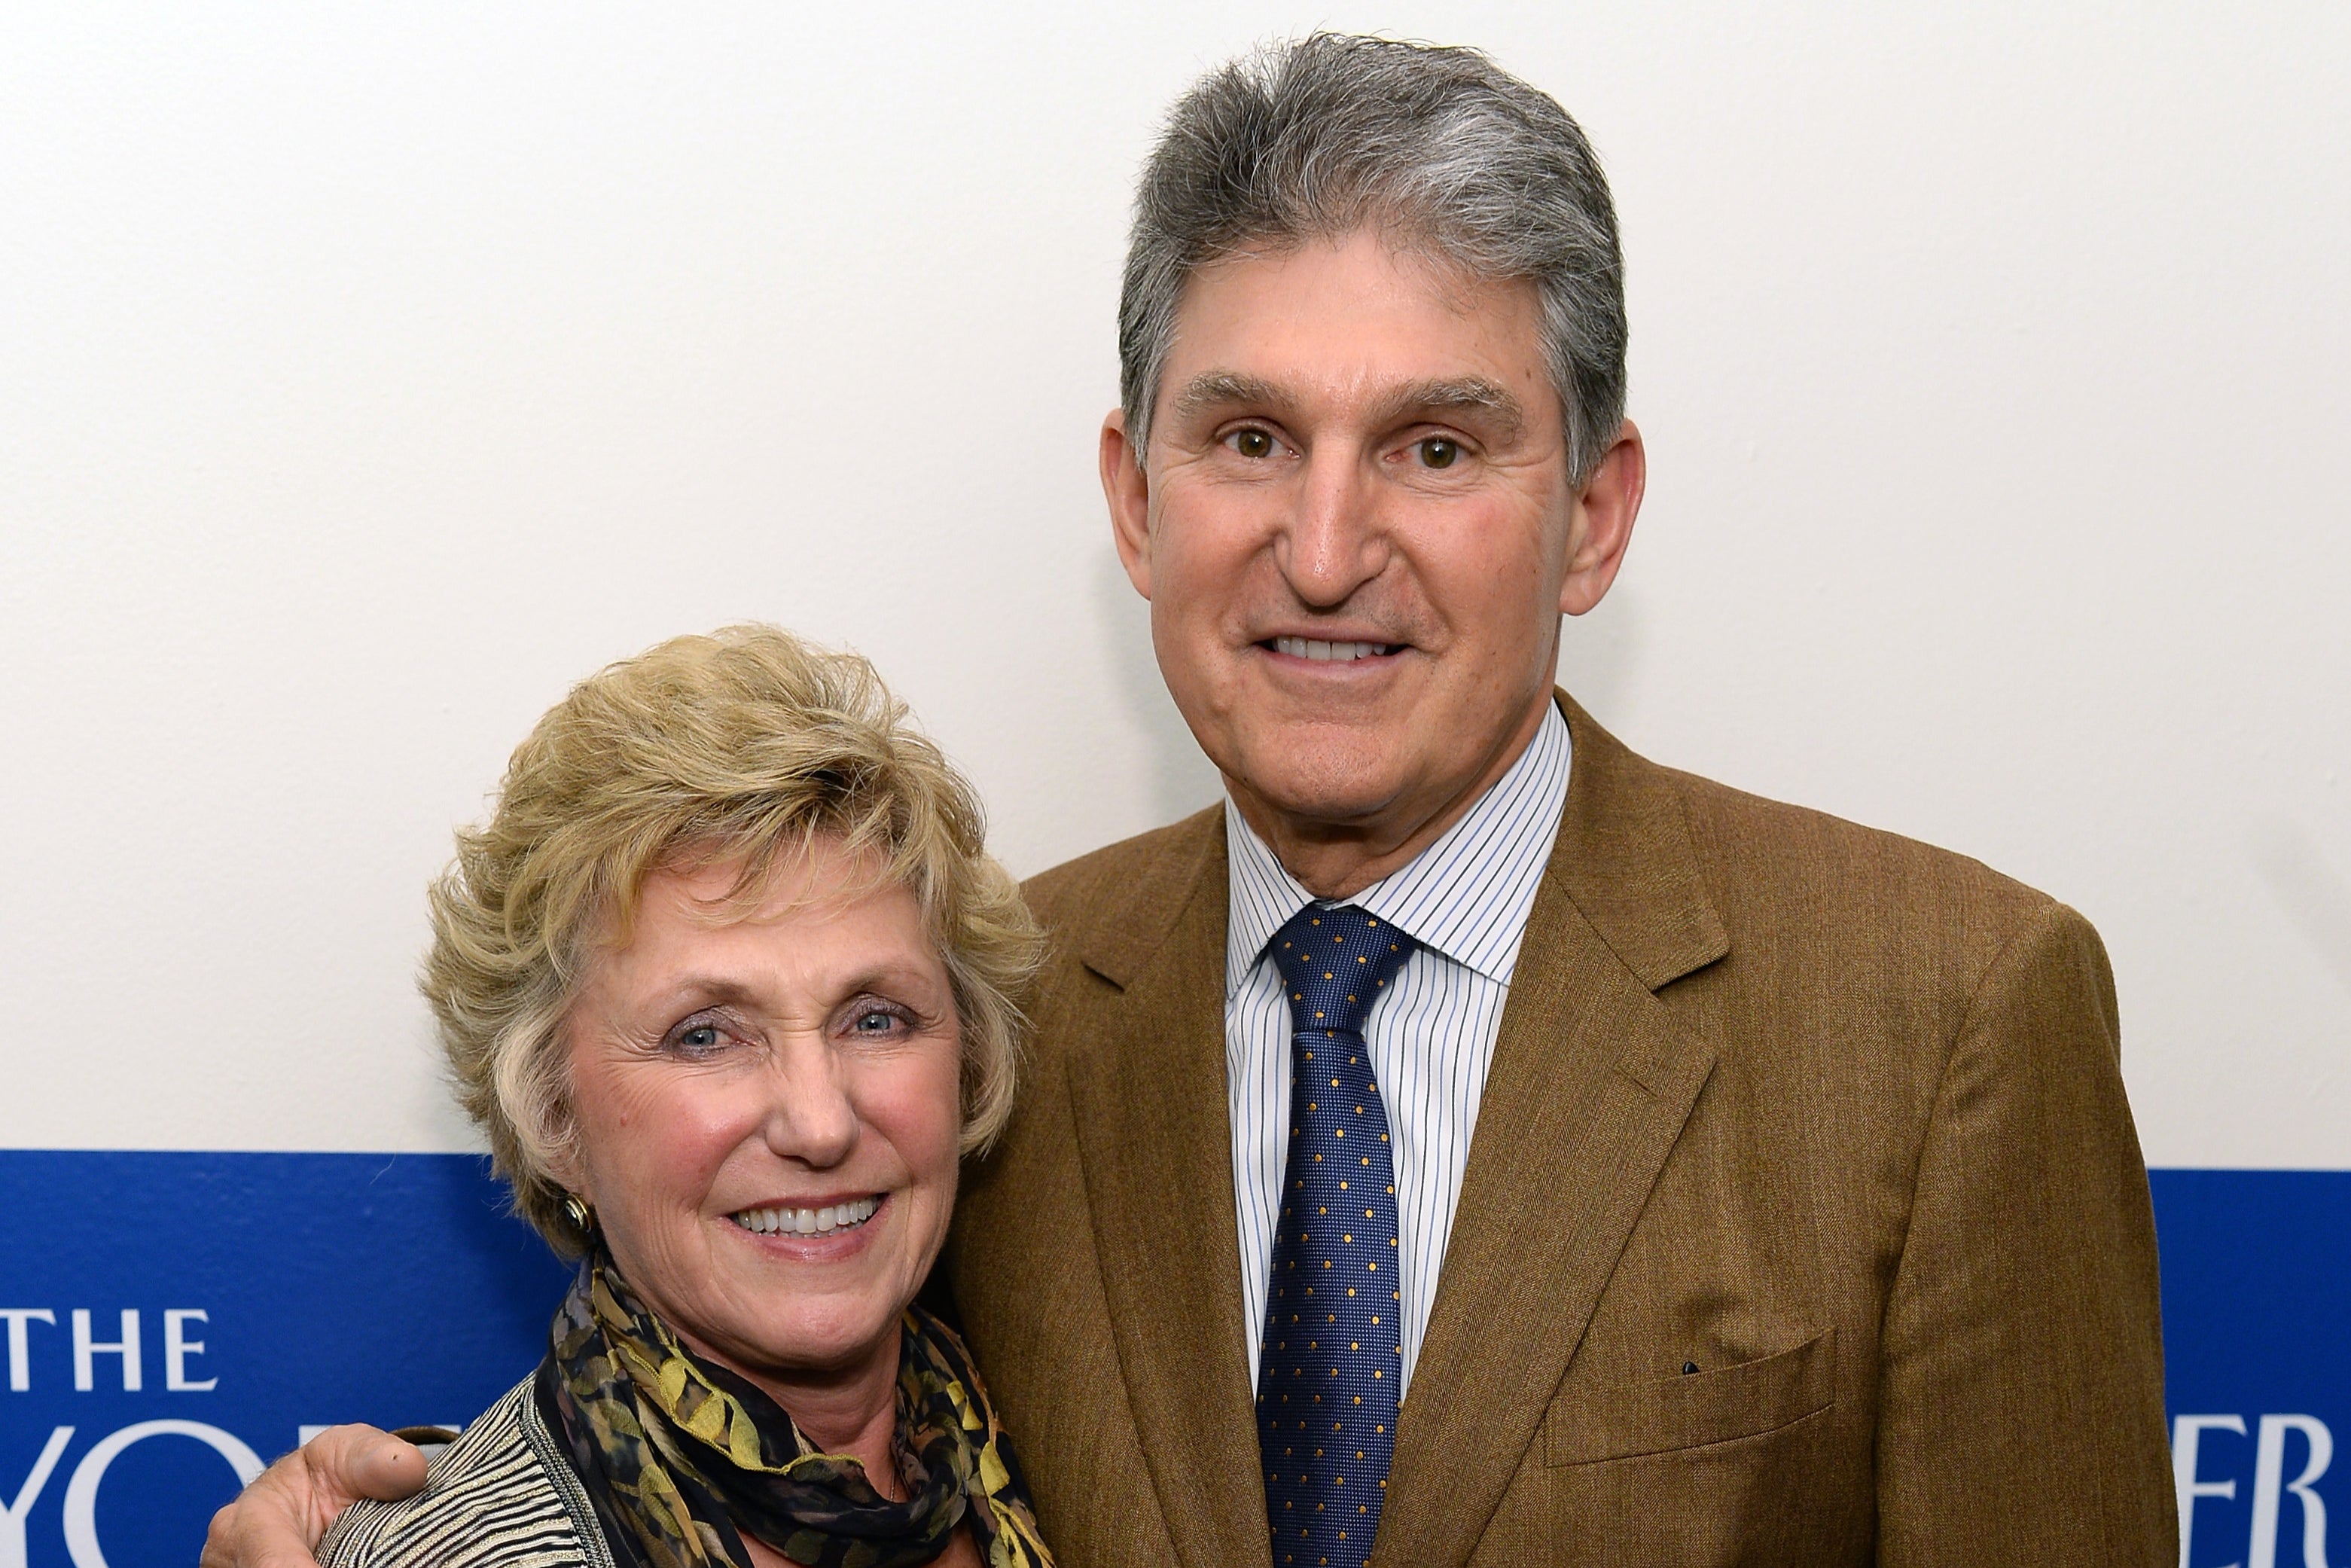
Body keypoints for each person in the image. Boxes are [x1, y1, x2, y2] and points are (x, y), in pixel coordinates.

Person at [209, 32, 2177, 1568]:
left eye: (1432, 443)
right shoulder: (992, 1010)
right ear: (1137, 502)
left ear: (1590, 515)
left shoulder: (1943, 1016)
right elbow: (752, 1425)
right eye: (1248, 436)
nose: (1324, 550)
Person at [304, 626, 1052, 1568]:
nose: (818, 1123)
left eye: (876, 1019)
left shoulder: (1046, 1452)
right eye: (705, 1036)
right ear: (554, 1116)